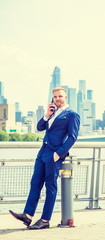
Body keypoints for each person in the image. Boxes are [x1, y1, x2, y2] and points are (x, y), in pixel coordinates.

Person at [9, 87, 80, 230]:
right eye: (55, 96)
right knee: (35, 183)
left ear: (66, 97)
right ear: (52, 99)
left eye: (60, 96)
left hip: (54, 155)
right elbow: (39, 127)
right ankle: (27, 216)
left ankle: (45, 220)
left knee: (50, 187)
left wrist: (58, 154)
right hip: (42, 153)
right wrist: (47, 115)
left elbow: (72, 138)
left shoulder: (72, 115)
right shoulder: (52, 113)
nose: (57, 98)